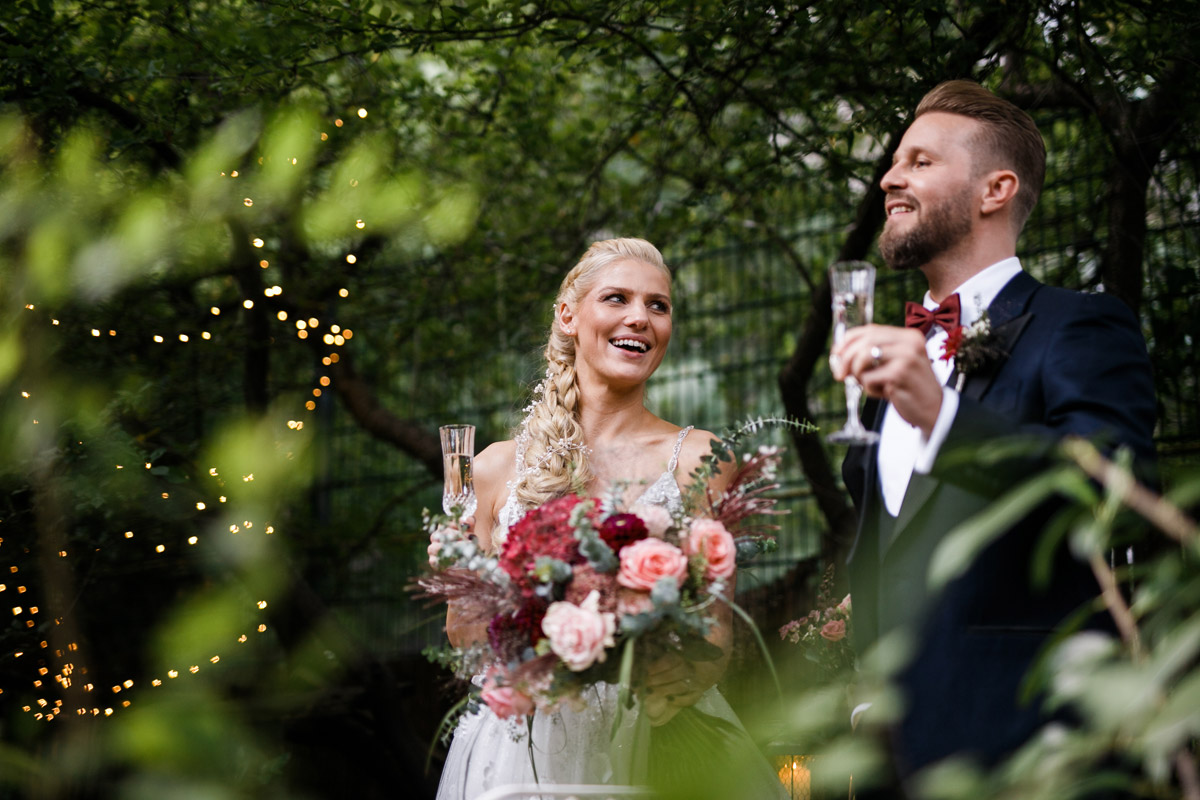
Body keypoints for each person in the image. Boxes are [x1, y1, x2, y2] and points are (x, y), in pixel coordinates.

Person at [833, 80, 1157, 791]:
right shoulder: (888, 363)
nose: (889, 176)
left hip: (1032, 751)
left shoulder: (1079, 325)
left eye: (919, 161)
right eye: (893, 162)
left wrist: (945, 420)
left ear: (995, 190)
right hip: (893, 763)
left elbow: (1119, 492)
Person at [431, 237, 787, 800]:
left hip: (654, 737)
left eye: (658, 306)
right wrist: (462, 572)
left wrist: (685, 674)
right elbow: (465, 641)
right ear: (569, 316)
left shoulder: (701, 459)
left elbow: (716, 634)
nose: (639, 318)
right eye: (617, 298)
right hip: (518, 748)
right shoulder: (494, 467)